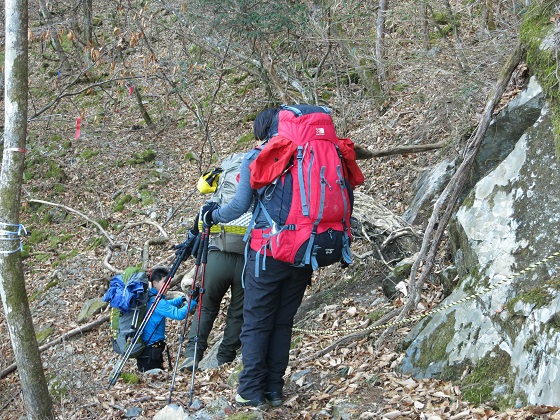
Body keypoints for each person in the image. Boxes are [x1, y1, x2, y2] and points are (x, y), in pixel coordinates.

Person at [199, 107, 313, 408]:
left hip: (267, 252)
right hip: (304, 251)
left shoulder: (259, 155)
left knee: (257, 322)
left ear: (262, 130)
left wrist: (213, 215)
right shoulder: (311, 153)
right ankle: (274, 390)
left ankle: (250, 392)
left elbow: (238, 206)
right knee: (283, 322)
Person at [179, 218, 245, 370]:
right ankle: (224, 358)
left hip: (216, 257)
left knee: (206, 308)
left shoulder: (216, 202)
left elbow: (199, 228)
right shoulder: (257, 197)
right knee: (238, 313)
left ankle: (192, 354)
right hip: (247, 260)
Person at [136, 266, 190, 372]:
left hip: (148, 352)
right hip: (151, 354)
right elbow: (179, 314)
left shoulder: (151, 299)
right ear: (155, 283)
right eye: (164, 282)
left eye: (169, 283)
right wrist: (193, 301)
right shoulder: (157, 303)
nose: (168, 286)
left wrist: (182, 299)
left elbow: (167, 304)